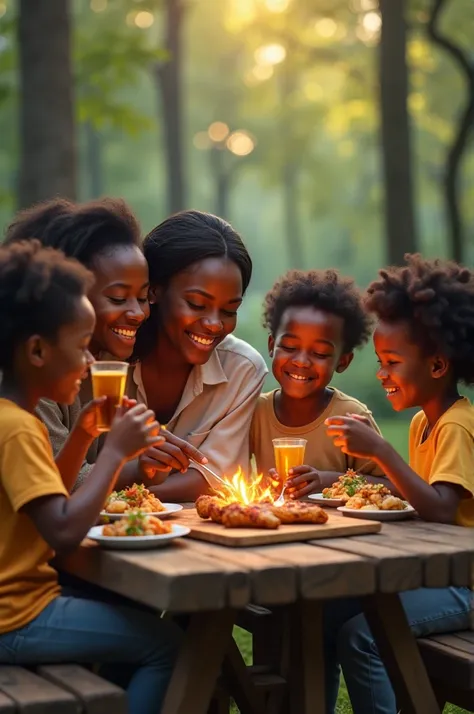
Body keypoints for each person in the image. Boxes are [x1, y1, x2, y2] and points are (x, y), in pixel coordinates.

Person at [0, 241, 182, 714]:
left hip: (22, 608)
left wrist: (82, 437)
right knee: (168, 645)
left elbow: (49, 501)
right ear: (37, 350)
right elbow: (61, 531)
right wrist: (115, 454)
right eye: (81, 347)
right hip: (16, 618)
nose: (88, 363)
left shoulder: (16, 420)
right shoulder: (18, 429)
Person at [323, 254, 474, 714]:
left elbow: (442, 508)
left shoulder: (457, 426)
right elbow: (413, 494)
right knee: (323, 611)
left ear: (436, 366)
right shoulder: (421, 425)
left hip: (465, 585)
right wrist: (339, 481)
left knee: (364, 634)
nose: (381, 373)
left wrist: (379, 452)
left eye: (391, 361)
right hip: (437, 573)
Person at [4, 197, 204, 490]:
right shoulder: (40, 374)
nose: (137, 314)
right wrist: (131, 465)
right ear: (67, 295)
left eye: (144, 297)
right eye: (118, 299)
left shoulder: (115, 362)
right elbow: (57, 486)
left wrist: (147, 456)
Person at [130, 209, 268, 501]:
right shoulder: (109, 359)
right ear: (153, 290)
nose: (215, 323)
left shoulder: (242, 370)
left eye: (230, 310)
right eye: (196, 304)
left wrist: (120, 498)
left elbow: (214, 479)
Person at [250, 269, 384, 498]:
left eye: (320, 353)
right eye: (290, 347)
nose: (301, 362)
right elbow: (230, 476)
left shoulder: (350, 417)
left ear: (343, 361)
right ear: (272, 345)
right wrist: (263, 486)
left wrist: (330, 481)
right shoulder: (255, 412)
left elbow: (393, 486)